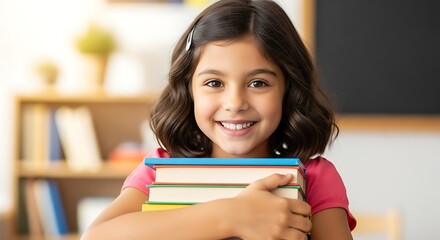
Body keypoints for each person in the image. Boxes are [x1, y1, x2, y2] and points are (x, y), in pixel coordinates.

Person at [81, 0, 356, 239]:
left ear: (289, 90)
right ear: (189, 90)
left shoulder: (315, 177)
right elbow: (96, 236)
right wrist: (231, 215)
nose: (235, 103)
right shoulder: (162, 170)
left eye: (258, 83)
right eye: (214, 82)